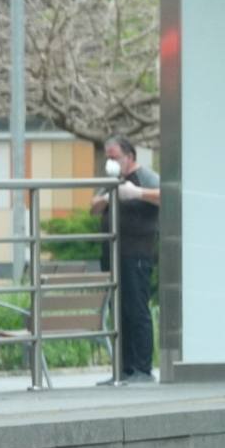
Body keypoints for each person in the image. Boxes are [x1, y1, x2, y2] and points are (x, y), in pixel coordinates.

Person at [90, 135, 160, 384]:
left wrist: (137, 193)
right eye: (107, 157)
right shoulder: (113, 181)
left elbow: (165, 196)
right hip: (113, 255)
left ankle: (142, 368)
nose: (110, 162)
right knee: (117, 310)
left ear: (129, 157)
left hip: (137, 254)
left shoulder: (145, 177)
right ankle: (123, 368)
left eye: (114, 157)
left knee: (136, 310)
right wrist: (109, 197)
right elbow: (94, 206)